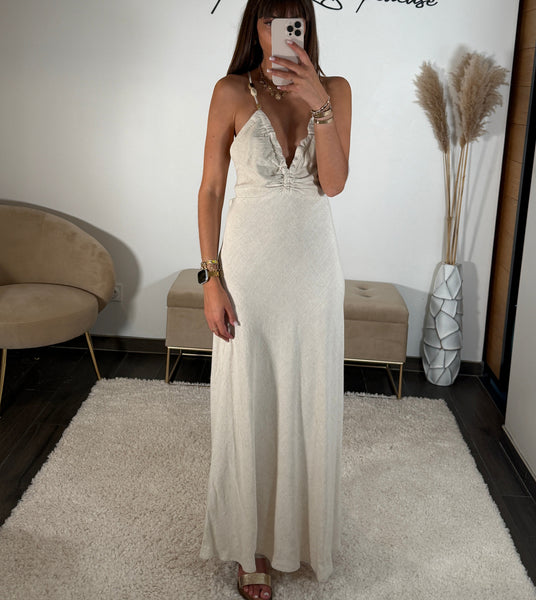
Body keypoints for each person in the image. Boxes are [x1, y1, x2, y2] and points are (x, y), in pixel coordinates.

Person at [197, 1, 351, 598]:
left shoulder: (335, 90)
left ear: (306, 27)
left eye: (292, 21)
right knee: (249, 399)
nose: (279, 33)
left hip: (313, 271)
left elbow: (333, 183)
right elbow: (212, 188)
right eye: (268, 21)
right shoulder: (230, 91)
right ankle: (252, 546)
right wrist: (212, 278)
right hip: (249, 271)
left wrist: (320, 104)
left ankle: (299, 533)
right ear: (255, 28)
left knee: (309, 398)